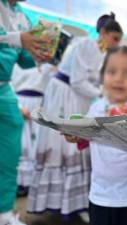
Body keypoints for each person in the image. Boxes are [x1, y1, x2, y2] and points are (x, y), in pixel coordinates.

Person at [27, 15, 123, 217]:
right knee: (64, 143)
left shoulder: (103, 53)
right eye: (114, 38)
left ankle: (74, 203)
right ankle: (61, 202)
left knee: (79, 144)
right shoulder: (86, 44)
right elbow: (78, 81)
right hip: (65, 94)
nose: (116, 44)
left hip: (80, 97)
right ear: (103, 34)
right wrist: (101, 94)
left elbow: (92, 80)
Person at [65, 46, 127, 225]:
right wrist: (76, 135)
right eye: (112, 72)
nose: (119, 78)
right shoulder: (97, 107)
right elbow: (87, 136)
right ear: (103, 76)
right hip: (100, 195)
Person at [0, 0, 50, 224]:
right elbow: (17, 40)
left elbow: (24, 60)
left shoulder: (21, 15)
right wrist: (19, 38)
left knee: (10, 156)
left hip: (4, 88)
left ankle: (5, 214)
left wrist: (42, 53)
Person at [10, 64, 56, 195]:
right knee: (22, 142)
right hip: (20, 102)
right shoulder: (16, 62)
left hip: (39, 105)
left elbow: (51, 86)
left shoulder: (47, 65)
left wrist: (45, 104)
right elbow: (8, 85)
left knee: (36, 143)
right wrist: (17, 106)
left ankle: (32, 182)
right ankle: (19, 182)